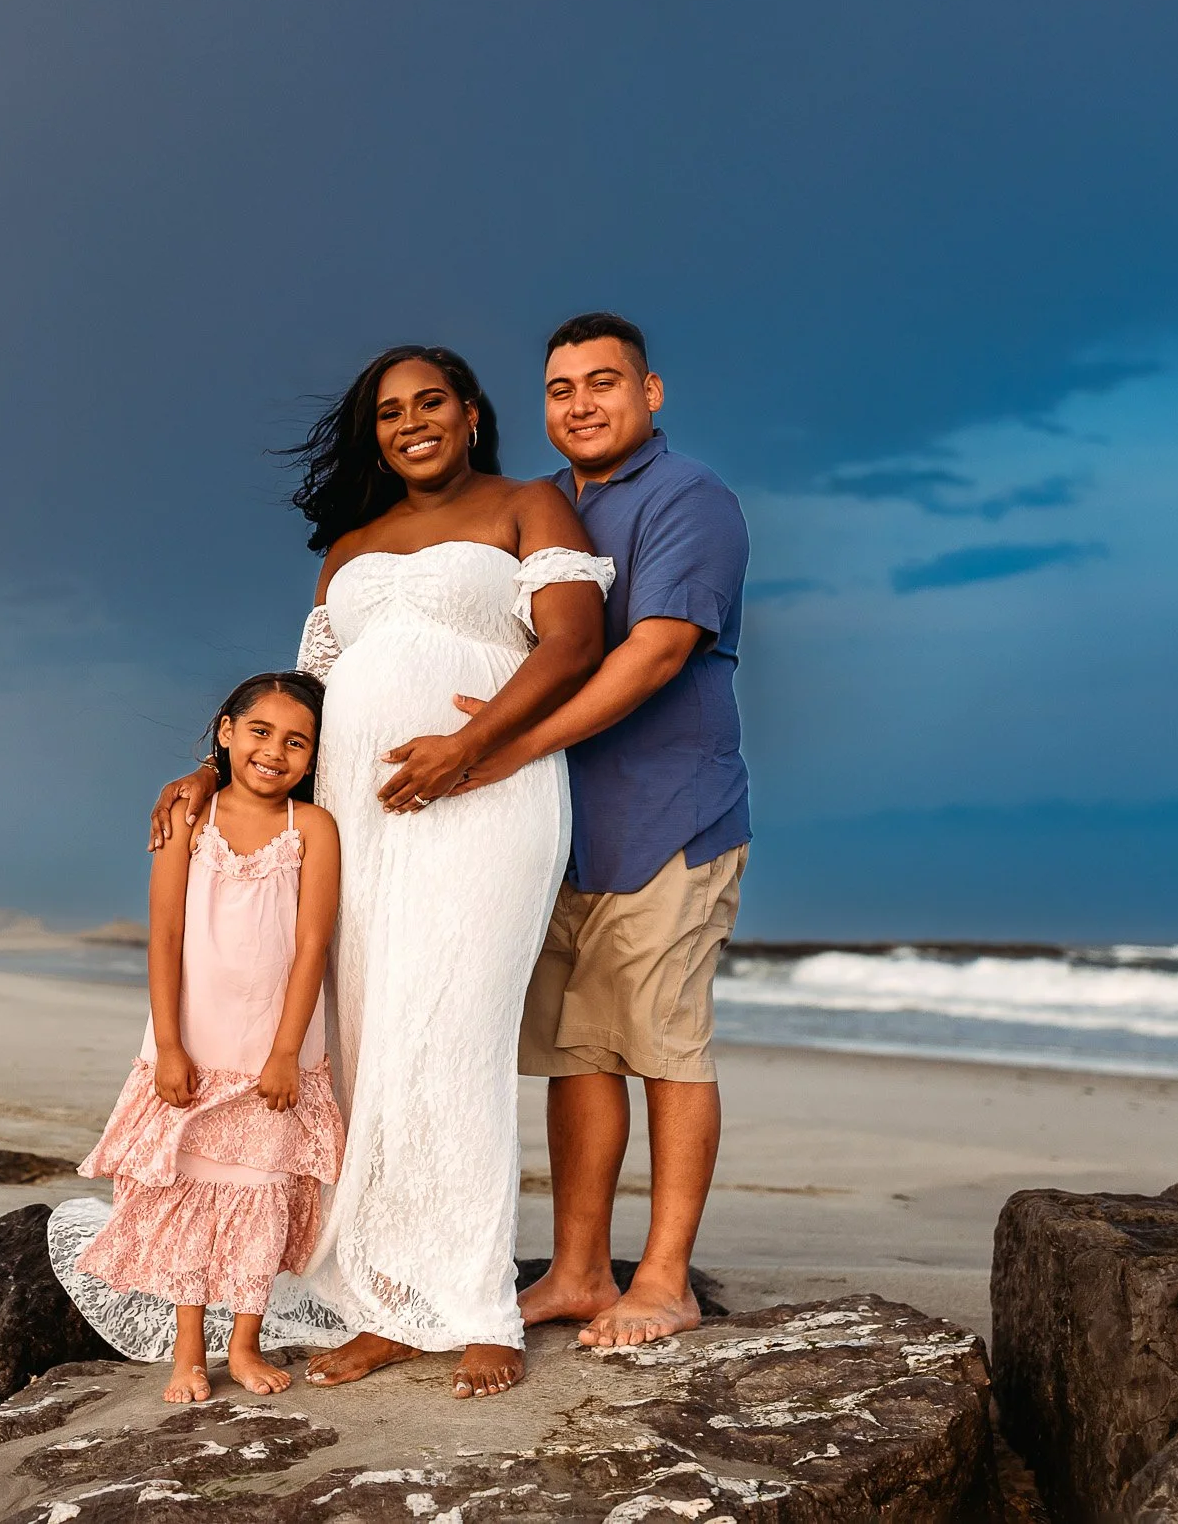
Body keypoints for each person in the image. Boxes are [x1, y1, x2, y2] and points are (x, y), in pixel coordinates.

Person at [152, 344, 611, 1398]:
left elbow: (572, 643)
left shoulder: (528, 505)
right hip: (349, 813)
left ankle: (476, 1299)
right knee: (360, 1037)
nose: (411, 420)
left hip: (487, 794)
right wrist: (205, 765)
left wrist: (470, 744)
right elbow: (302, 700)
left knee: (453, 1027)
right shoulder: (347, 548)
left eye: (430, 401)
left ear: (470, 411)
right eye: (389, 411)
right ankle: (383, 1301)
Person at [448, 312, 753, 1349]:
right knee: (579, 1050)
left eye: (602, 382)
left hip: (672, 814)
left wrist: (514, 746)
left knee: (664, 1044)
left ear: (650, 391)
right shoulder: (544, 509)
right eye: (560, 388)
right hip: (560, 828)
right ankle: (578, 1269)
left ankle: (662, 1278)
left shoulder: (688, 498)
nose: (579, 403)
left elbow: (655, 653)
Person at [76, 672, 346, 1403]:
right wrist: (168, 1044)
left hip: (273, 1046)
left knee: (258, 1190)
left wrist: (289, 1050)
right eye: (260, 731)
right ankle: (188, 1348)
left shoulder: (311, 829)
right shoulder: (189, 819)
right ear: (226, 732)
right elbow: (164, 933)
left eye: (297, 741)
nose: (275, 751)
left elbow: (312, 944)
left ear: (315, 756)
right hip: (194, 1041)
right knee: (187, 1187)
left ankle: (245, 1343)